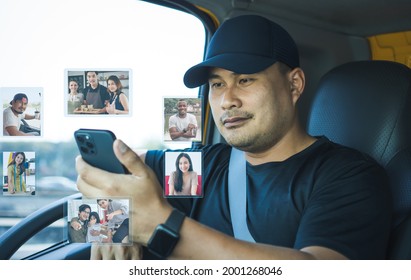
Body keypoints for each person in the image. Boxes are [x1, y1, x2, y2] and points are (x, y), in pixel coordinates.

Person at [76, 15, 392, 260]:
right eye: (217, 84)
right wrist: (108, 228)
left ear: (294, 85)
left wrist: (163, 226)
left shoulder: (348, 176)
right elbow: (118, 169)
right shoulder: (202, 166)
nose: (227, 100)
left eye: (245, 79)